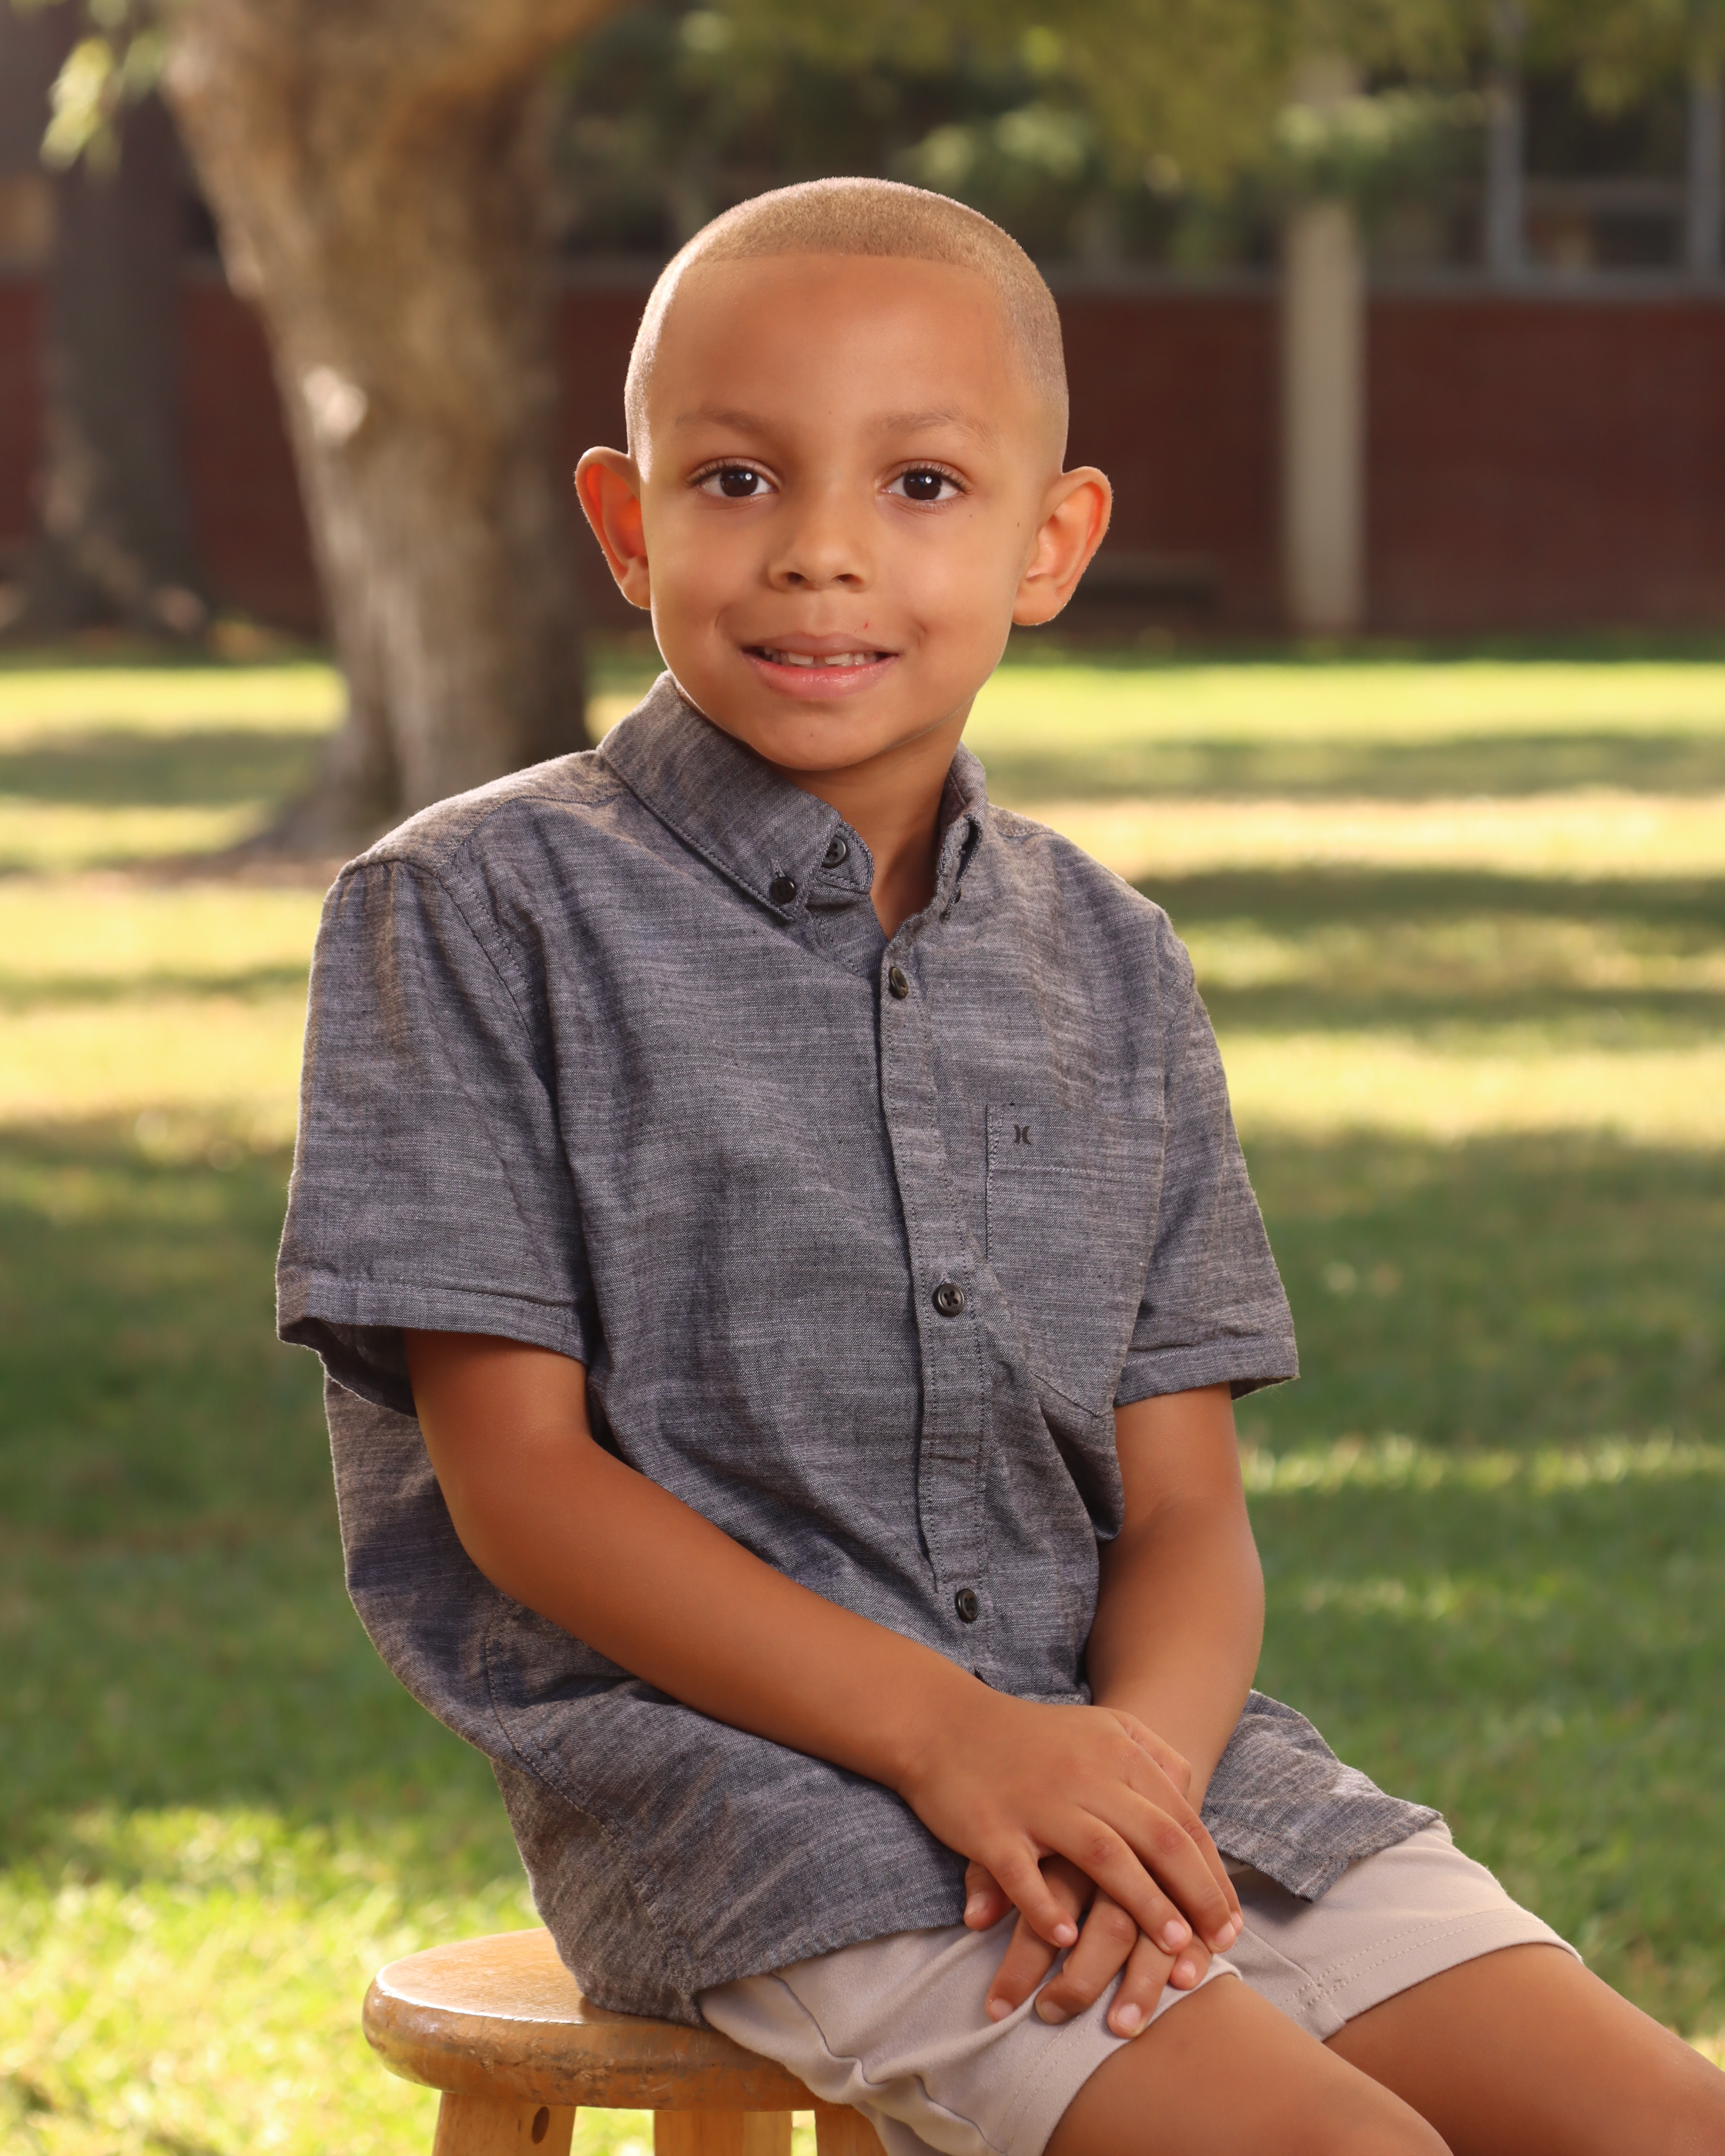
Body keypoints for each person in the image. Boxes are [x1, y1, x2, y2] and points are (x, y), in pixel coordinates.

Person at [277, 179, 1725, 2156]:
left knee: (1666, 2121)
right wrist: (964, 1745)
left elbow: (1184, 1505)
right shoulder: (470, 909)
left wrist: (1128, 1778)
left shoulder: (1110, 958)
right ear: (624, 521)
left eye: (923, 485)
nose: (820, 550)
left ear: (1053, 541)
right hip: (758, 1805)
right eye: (735, 479)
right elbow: (520, 1489)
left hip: (1158, 1773)